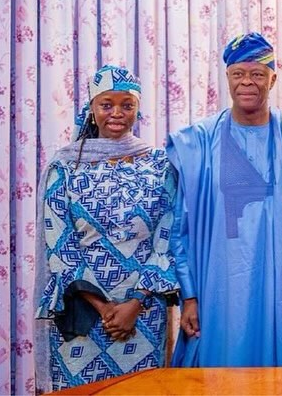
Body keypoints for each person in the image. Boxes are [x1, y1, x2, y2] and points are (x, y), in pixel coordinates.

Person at [168, 32, 282, 367]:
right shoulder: (198, 143)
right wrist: (190, 295)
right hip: (219, 294)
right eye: (238, 74)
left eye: (257, 74)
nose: (247, 82)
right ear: (227, 77)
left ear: (273, 78)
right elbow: (180, 227)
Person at [35, 65, 179, 392]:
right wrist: (104, 308)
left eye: (127, 105)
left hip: (143, 313)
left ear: (138, 109)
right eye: (106, 104)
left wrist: (134, 304)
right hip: (82, 311)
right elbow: (59, 244)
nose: (116, 113)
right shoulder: (65, 166)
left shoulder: (159, 164)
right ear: (91, 108)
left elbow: (168, 237)